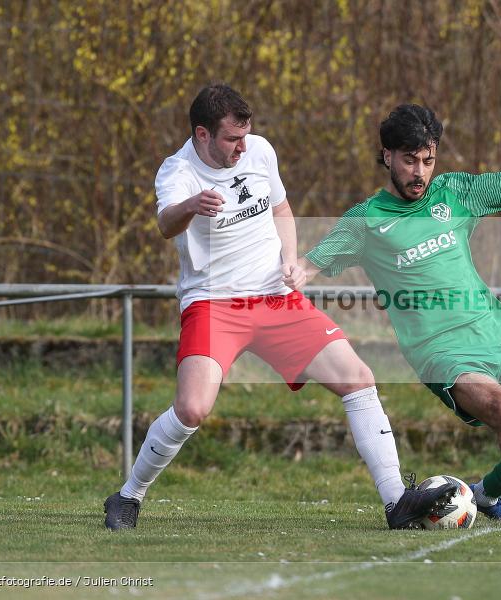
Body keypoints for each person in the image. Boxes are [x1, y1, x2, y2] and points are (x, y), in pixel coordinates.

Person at [104, 86, 455, 531]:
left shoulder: (260, 151)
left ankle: (397, 502)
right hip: (214, 304)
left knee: (359, 378)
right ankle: (128, 497)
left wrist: (291, 258)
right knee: (192, 409)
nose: (243, 147)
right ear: (203, 134)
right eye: (232, 139)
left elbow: (282, 208)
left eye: (246, 136)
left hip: (276, 298)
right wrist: (191, 207)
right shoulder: (177, 171)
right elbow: (164, 223)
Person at [296, 104, 501, 529]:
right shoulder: (366, 220)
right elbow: (307, 266)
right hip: (440, 352)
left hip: (493, 335)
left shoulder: (454, 192)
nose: (419, 171)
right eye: (409, 160)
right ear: (387, 156)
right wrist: (287, 273)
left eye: (428, 160)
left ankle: (484, 493)